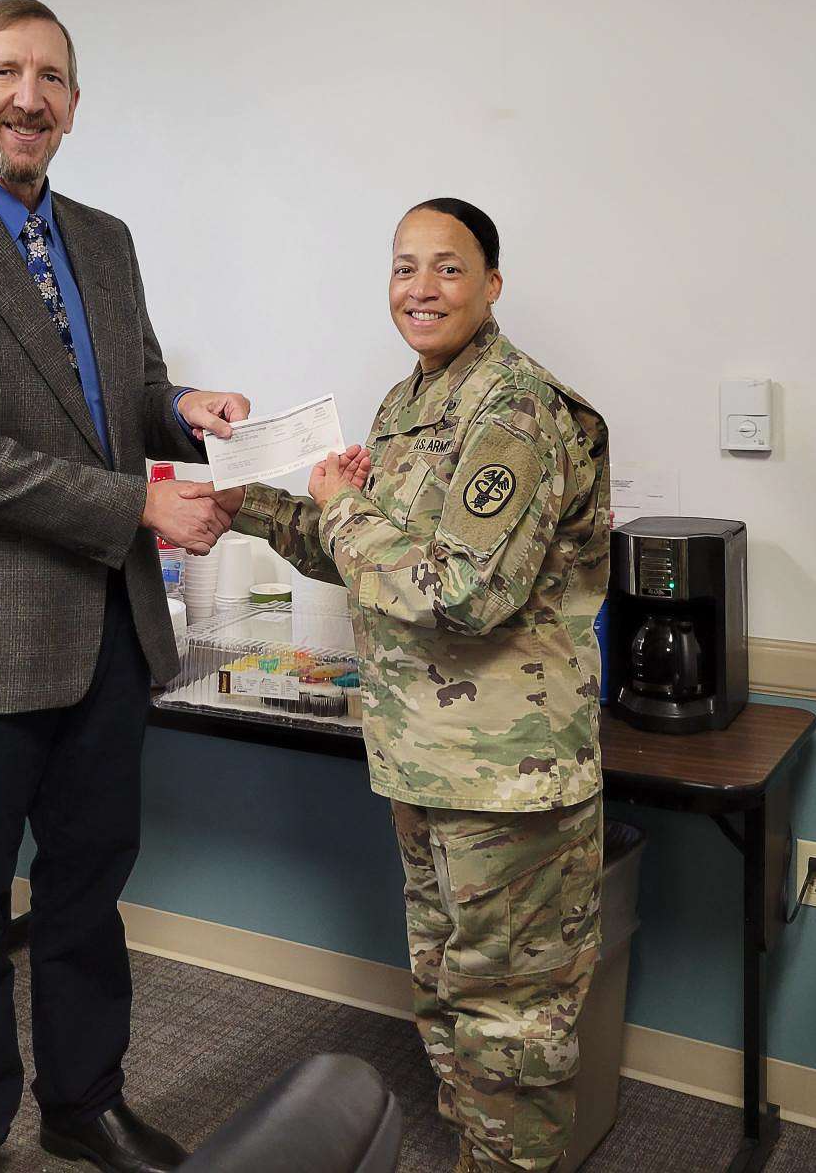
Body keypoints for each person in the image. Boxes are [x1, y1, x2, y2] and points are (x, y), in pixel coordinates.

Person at [0, 0, 247, 1173]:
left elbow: (125, 391)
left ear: (75, 104)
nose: (32, 96)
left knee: (87, 895)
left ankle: (84, 1103)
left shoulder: (107, 241)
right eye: (9, 72)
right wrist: (137, 504)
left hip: (108, 639)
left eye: (54, 77)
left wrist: (183, 411)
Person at [218, 199, 609, 1173]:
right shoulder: (408, 406)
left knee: (511, 1037)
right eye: (404, 267)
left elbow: (464, 592)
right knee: (448, 1005)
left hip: (506, 790)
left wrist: (344, 504)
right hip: (427, 769)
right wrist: (246, 502)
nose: (421, 288)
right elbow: (369, 556)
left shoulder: (515, 411)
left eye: (446, 268)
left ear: (491, 284)